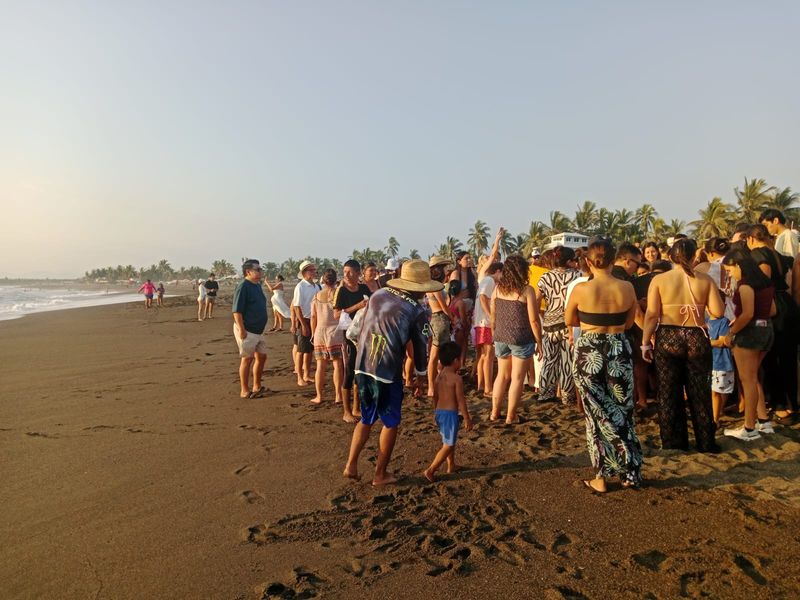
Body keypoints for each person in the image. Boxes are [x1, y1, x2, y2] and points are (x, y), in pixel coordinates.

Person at [342, 259, 437, 486]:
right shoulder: (417, 310)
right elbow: (421, 349)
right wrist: (421, 377)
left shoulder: (379, 295)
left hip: (363, 366)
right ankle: (380, 474)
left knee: (366, 418)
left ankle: (351, 465)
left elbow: (358, 328)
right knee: (390, 422)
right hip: (386, 371)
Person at [565, 237, 643, 492]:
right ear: (614, 260)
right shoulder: (627, 288)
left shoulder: (581, 290)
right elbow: (630, 324)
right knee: (623, 409)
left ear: (588, 262)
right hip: (619, 346)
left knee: (595, 412)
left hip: (589, 348)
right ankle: (629, 472)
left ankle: (600, 477)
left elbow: (570, 320)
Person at [642, 239, 724, 453]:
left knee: (669, 393)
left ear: (670, 257)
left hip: (668, 335)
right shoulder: (704, 280)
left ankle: (673, 443)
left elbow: (651, 315)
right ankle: (706, 442)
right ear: (693, 257)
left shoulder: (660, 280)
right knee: (700, 392)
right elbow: (718, 312)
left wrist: (644, 343)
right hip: (696, 335)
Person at [720, 248, 776, 440]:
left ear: (738, 265)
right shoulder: (766, 283)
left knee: (748, 380)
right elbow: (773, 310)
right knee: (753, 377)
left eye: (729, 270)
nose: (729, 273)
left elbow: (747, 313)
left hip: (749, 334)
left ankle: (749, 428)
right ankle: (763, 420)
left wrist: (731, 332)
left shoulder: (745, 285)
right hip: (766, 330)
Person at [746, 224, 799, 420]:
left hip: (772, 307)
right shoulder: (777, 253)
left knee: (771, 357)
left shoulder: (759, 254)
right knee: (788, 358)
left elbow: (764, 282)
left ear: (751, 239)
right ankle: (792, 403)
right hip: (788, 304)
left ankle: (779, 405)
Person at [491, 255, 544, 424]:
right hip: (521, 338)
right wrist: (540, 342)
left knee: (501, 376)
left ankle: (494, 413)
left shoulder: (498, 288)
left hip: (501, 336)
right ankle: (510, 416)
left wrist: (495, 332)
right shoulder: (526, 290)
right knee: (517, 378)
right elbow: (534, 321)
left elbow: (493, 313)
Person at [696, 238, 736, 425]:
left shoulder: (705, 268)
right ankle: (739, 405)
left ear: (709, 253)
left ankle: (715, 415)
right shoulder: (735, 265)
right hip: (734, 316)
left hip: (713, 316)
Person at [423, 341, 473, 482]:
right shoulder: (456, 379)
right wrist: (467, 418)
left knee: (449, 440)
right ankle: (431, 470)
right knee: (448, 444)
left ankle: (451, 465)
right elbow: (461, 400)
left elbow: (435, 397)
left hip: (440, 412)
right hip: (450, 414)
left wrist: (435, 412)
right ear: (455, 360)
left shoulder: (438, 377)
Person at [536, 246, 580, 403]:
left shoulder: (545, 277)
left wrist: (537, 319)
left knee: (549, 360)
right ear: (569, 261)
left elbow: (536, 300)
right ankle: (568, 396)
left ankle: (545, 393)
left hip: (549, 324)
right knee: (567, 361)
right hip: (570, 323)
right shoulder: (577, 276)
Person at [333, 259, 372, 423]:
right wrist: (357, 306)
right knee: (349, 371)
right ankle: (346, 411)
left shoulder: (363, 288)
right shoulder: (341, 291)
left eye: (350, 272)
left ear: (358, 273)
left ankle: (356, 407)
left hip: (364, 333)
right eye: (345, 272)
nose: (347, 275)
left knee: (360, 371)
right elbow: (336, 314)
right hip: (349, 335)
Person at [232, 259, 268, 399]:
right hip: (248, 329)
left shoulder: (257, 285)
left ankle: (257, 385)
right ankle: (244, 389)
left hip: (259, 330)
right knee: (247, 359)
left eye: (260, 269)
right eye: (257, 269)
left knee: (262, 356)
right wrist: (241, 329)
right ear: (248, 272)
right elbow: (237, 311)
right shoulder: (243, 286)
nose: (260, 271)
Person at [310, 269, 344, 405]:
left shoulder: (317, 295)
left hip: (320, 331)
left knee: (320, 366)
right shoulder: (337, 294)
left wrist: (313, 334)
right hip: (335, 332)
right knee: (337, 365)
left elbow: (313, 316)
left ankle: (319, 396)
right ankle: (338, 395)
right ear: (335, 280)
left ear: (323, 280)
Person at [427, 256, 455, 398]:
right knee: (435, 355)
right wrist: (453, 319)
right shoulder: (435, 286)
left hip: (437, 318)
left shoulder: (433, 285)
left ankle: (434, 384)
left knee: (437, 355)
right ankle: (431, 387)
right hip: (440, 319)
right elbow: (444, 307)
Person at [474, 262, 503, 398]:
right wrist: (491, 316)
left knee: (483, 355)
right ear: (498, 271)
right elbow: (482, 297)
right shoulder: (490, 280)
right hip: (485, 322)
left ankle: (481, 385)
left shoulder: (487, 280)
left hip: (481, 322)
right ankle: (487, 388)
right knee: (488, 356)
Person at [291, 261, 320, 387]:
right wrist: (303, 324)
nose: (313, 272)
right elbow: (296, 307)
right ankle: (299, 377)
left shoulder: (316, 286)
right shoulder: (300, 287)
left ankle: (307, 374)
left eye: (314, 270)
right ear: (304, 273)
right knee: (301, 351)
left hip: (315, 320)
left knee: (309, 351)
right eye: (310, 270)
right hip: (304, 320)